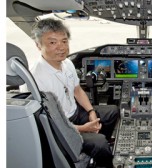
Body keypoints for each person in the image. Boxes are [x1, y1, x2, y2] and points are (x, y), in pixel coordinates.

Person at [30, 18, 119, 168]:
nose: (61, 47)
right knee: (100, 144)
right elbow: (51, 124)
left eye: (64, 41)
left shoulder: (67, 63)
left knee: (112, 111)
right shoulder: (36, 78)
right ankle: (102, 159)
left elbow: (77, 91)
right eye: (53, 42)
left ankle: (98, 138)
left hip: (75, 113)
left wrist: (91, 111)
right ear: (38, 45)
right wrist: (84, 129)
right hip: (60, 128)